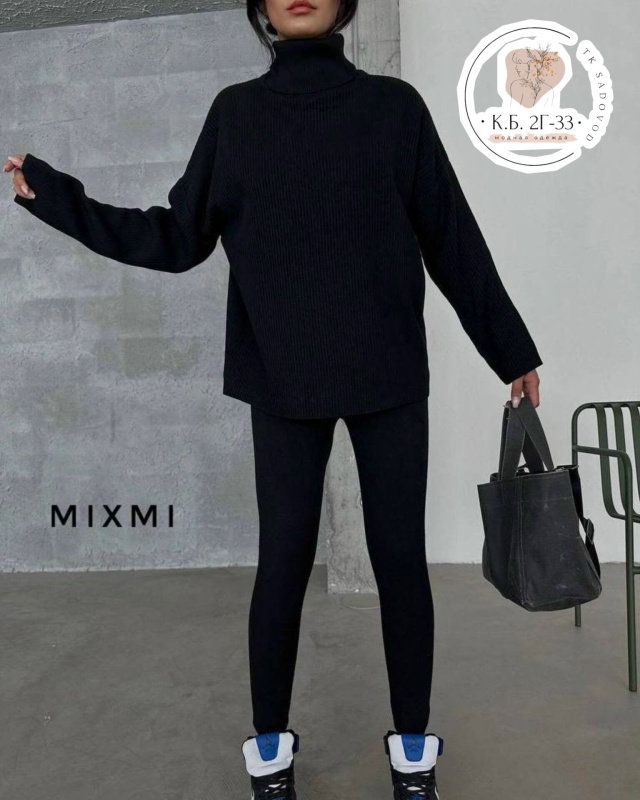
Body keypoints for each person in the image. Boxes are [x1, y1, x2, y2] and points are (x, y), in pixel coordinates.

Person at [5, 1, 542, 797]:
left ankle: (413, 754)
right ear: (259, 7)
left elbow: (450, 238)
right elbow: (177, 237)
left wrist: (511, 350)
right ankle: (270, 753)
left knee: (400, 564)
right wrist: (56, 199)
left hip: (389, 374)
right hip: (283, 379)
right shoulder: (238, 115)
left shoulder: (393, 109)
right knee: (283, 566)